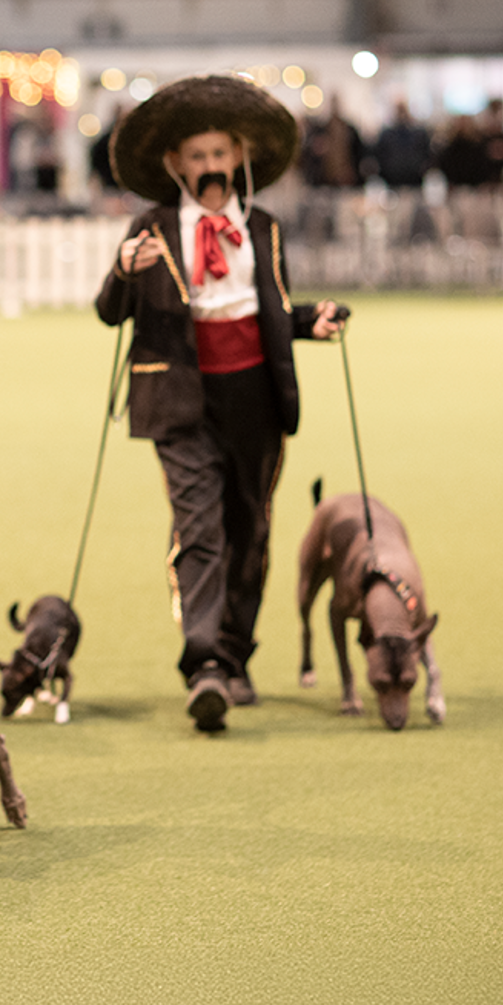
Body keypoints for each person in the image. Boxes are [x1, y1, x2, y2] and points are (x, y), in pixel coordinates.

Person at [95, 74, 342, 733]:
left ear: (239, 158)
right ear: (175, 164)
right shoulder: (149, 229)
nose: (210, 168)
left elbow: (270, 310)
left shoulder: (263, 228)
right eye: (196, 157)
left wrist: (308, 319)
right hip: (178, 398)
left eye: (219, 155)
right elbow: (108, 313)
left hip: (256, 397)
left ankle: (235, 656)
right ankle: (204, 663)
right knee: (198, 529)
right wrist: (124, 271)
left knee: (250, 530)